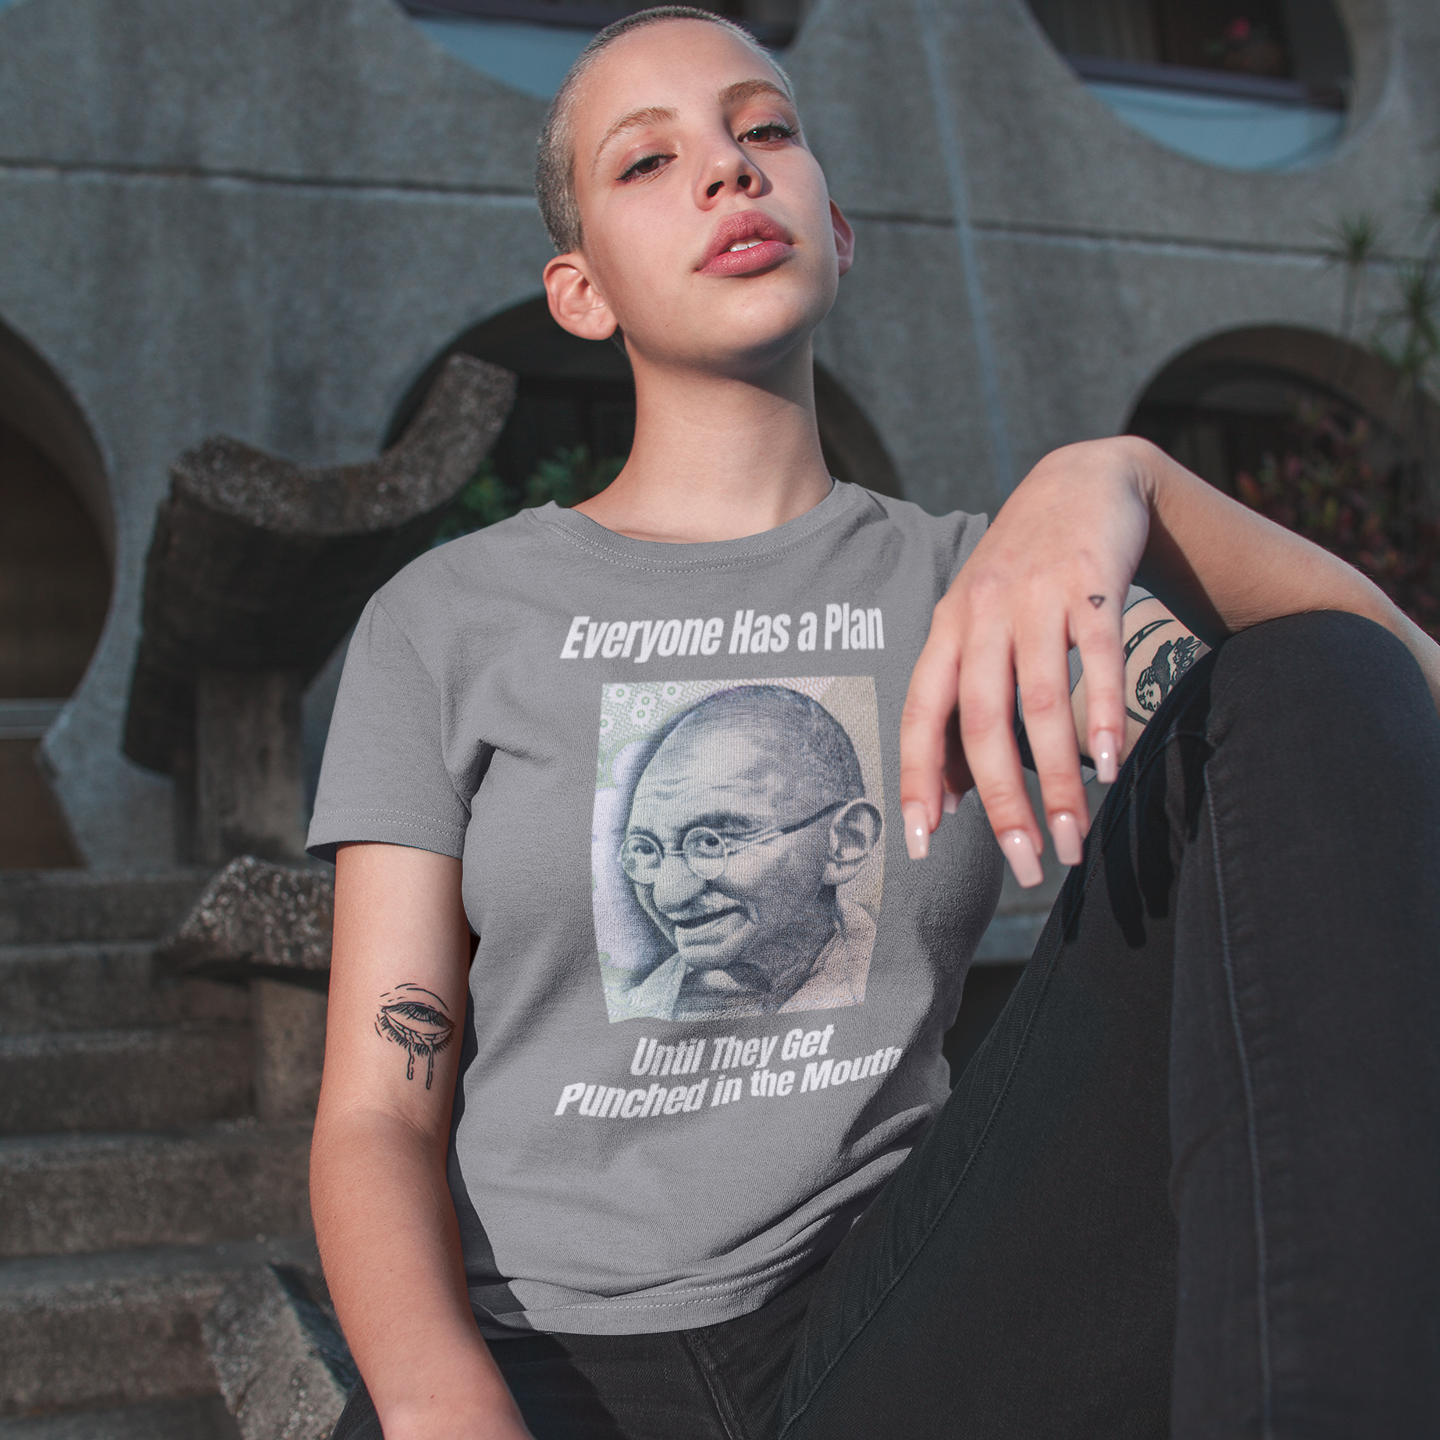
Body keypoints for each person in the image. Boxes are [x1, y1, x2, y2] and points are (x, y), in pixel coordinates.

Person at [308, 9, 1440, 1438]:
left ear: (839, 229)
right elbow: (375, 1111)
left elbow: (1382, 702)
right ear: (579, 289)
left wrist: (1133, 479)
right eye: (649, 161)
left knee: (1298, 672)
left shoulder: (988, 587)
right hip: (542, 1354)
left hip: (891, 1310)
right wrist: (435, 1404)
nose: (727, 172)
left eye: (763, 130)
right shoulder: (449, 619)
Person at [607, 682, 884, 1021]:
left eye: (713, 843)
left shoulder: (893, 977)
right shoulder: (635, 1009)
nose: (668, 897)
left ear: (845, 843)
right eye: (647, 851)